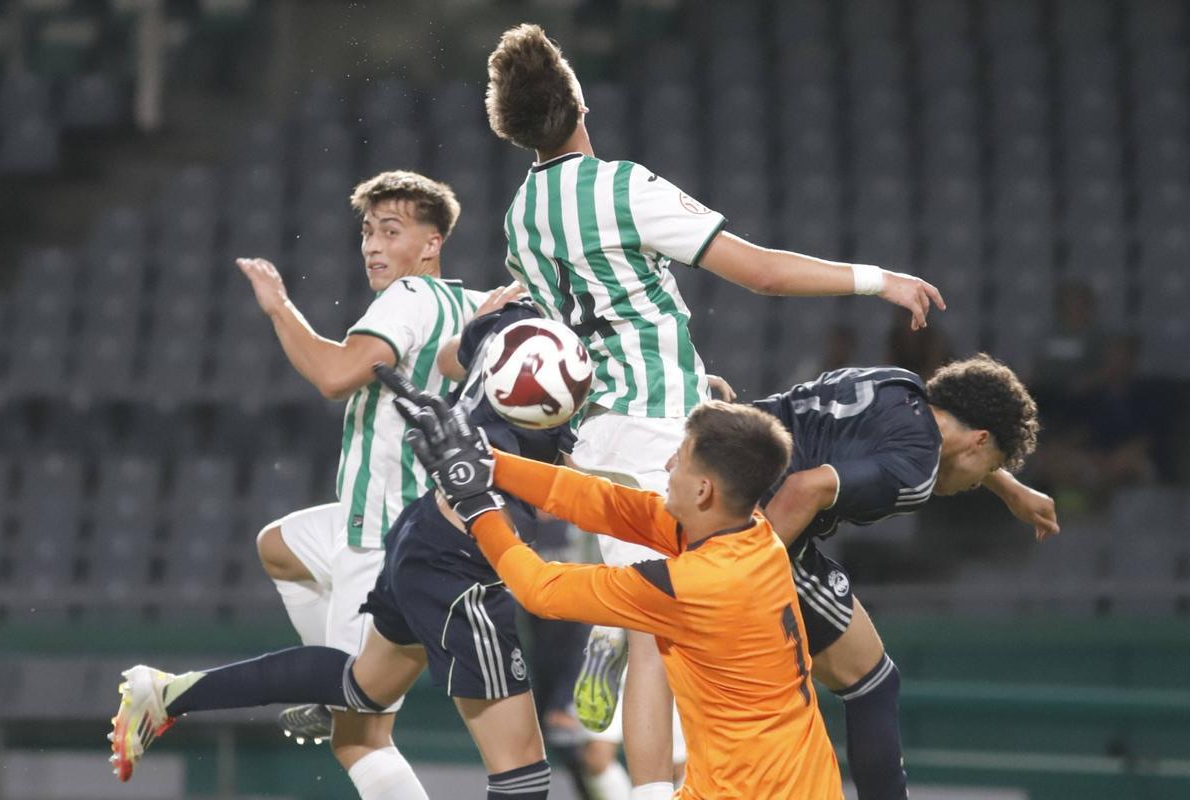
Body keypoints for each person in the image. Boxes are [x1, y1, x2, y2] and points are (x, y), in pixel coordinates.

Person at [484, 23, 945, 799]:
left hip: (598, 435)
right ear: (579, 100)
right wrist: (878, 279)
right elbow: (761, 273)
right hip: (663, 437)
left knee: (651, 620)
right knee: (667, 633)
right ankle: (651, 775)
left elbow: (580, 334)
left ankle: (615, 662)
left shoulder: (520, 217)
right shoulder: (621, 186)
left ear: (511, 128)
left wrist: (694, 377)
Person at [110, 298, 566, 799]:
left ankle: (167, 694)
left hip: (423, 528)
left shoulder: (513, 315)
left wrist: (484, 340)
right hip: (467, 555)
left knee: (361, 689)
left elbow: (449, 359)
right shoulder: (590, 354)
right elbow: (582, 487)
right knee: (522, 772)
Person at [389, 380, 844, 800]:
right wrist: (490, 464)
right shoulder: (751, 534)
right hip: (807, 783)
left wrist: (476, 506)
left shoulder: (692, 584)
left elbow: (541, 589)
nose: (667, 464)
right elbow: (603, 503)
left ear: (704, 490)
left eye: (680, 457)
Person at [224, 170, 492, 799]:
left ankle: (340, 686)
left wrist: (278, 307)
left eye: (391, 231)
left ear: (432, 244)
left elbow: (335, 375)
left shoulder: (409, 297)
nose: (372, 245)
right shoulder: (473, 305)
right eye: (368, 231)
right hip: (404, 518)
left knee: (360, 739)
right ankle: (334, 678)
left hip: (382, 536)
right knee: (278, 546)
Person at [753, 355, 1057, 799]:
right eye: (989, 468)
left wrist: (1010, 487)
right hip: (754, 512)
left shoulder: (896, 383)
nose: (978, 483)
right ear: (979, 440)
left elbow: (944, 442)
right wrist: (734, 575)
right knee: (871, 683)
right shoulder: (914, 474)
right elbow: (804, 488)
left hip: (721, 450)